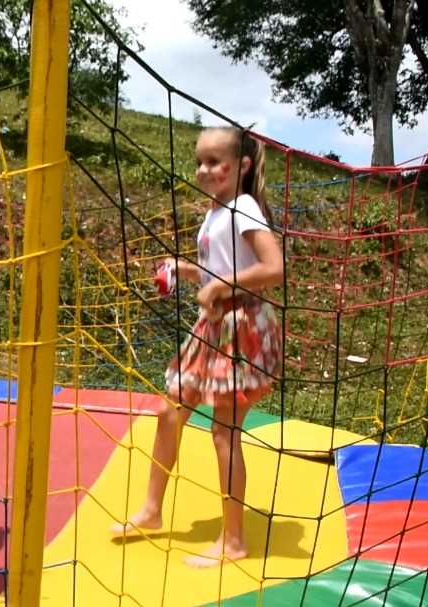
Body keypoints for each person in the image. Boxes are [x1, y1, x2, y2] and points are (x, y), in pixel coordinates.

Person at [112, 127, 283, 568]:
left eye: (214, 162)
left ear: (241, 166)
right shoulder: (215, 212)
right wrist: (184, 270)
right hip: (213, 325)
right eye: (199, 162)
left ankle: (234, 540)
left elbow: (273, 267)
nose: (204, 170)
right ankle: (151, 511)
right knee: (169, 413)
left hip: (241, 327)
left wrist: (221, 286)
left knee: (224, 431)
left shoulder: (244, 207)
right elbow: (220, 268)